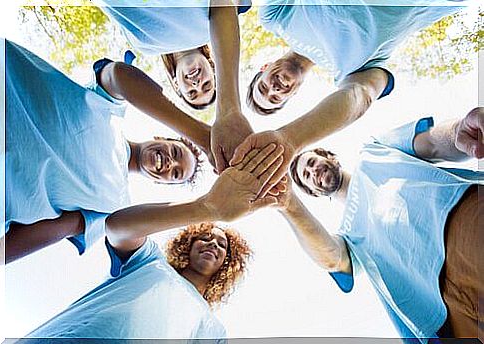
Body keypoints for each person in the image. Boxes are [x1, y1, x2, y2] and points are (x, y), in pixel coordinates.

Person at [23, 141, 284, 340]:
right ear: (188, 244)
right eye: (205, 238)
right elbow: (116, 226)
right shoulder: (149, 261)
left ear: (228, 264)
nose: (213, 245)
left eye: (221, 246)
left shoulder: (212, 332)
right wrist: (208, 207)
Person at [279, 107, 483, 340]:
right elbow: (332, 259)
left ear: (330, 157)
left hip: (457, 227)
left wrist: (459, 131)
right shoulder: (348, 238)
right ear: (314, 192)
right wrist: (288, 203)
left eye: (312, 161)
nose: (313, 170)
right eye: (307, 175)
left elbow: (433, 142)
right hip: (441, 315)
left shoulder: (374, 152)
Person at [3, 41, 204, 264]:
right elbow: (117, 75)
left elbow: (54, 230)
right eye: (175, 152)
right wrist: (203, 135)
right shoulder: (110, 106)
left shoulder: (115, 207)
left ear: (163, 183)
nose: (170, 163)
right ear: (162, 138)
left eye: (175, 174)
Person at [247, 0, 465, 115]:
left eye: (263, 88)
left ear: (264, 67)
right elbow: (362, 94)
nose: (273, 90)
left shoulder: (275, 18)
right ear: (293, 94)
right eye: (275, 98)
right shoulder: (347, 76)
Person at [95, 0, 251, 110]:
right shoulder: (217, 23)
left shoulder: (144, 46)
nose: (197, 84)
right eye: (207, 84)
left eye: (191, 93)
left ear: (176, 85)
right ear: (212, 67)